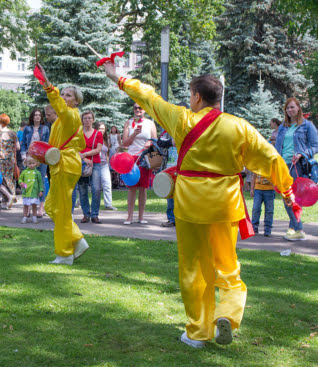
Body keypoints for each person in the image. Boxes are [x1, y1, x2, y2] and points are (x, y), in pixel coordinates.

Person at [102, 63, 294, 348]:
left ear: (196, 97)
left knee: (194, 270)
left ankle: (197, 332)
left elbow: (149, 99)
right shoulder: (239, 126)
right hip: (225, 206)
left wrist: (118, 76)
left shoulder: (182, 119)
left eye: (190, 95)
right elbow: (270, 157)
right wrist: (287, 188)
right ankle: (227, 314)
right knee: (228, 268)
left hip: (190, 205)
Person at [36, 63, 88, 265]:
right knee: (51, 206)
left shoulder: (70, 115)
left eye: (68, 95)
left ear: (76, 101)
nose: (65, 97)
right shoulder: (64, 119)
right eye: (63, 94)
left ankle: (65, 254)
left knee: (63, 210)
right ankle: (77, 239)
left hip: (66, 164)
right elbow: (79, 142)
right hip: (62, 164)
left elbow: (56, 103)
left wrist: (47, 83)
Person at [274, 97, 318, 241]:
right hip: (283, 165)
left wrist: (302, 154)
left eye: (292, 107)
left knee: (293, 197)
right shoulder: (282, 127)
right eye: (287, 108)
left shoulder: (307, 126)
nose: (290, 110)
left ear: (298, 108)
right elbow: (277, 147)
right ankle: (294, 228)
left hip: (296, 165)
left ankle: (297, 229)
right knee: (286, 197)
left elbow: (315, 146)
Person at [122, 103, 157, 224]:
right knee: (131, 188)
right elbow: (125, 143)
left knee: (143, 188)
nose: (138, 110)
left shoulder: (150, 123)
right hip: (132, 158)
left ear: (144, 110)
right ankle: (129, 217)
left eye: (140, 108)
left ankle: (141, 217)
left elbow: (154, 140)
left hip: (145, 158)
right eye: (135, 108)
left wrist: (149, 143)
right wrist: (134, 133)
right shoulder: (128, 122)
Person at [21, 109, 50, 217]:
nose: (37, 117)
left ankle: (40, 209)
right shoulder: (27, 129)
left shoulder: (45, 128)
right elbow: (23, 143)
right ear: (32, 117)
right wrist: (24, 156)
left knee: (40, 181)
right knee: (28, 181)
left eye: (39, 115)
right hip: (29, 158)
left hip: (41, 158)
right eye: (35, 115)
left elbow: (47, 144)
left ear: (41, 117)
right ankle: (27, 209)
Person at [76, 111, 104, 223]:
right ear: (82, 120)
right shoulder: (78, 133)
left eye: (89, 118)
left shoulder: (98, 134)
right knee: (82, 190)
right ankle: (86, 214)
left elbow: (98, 149)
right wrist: (83, 159)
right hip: (81, 163)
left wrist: (86, 154)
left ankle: (95, 214)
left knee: (96, 189)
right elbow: (74, 148)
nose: (87, 120)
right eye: (85, 118)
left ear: (93, 120)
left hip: (95, 163)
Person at [0, 113, 19, 209]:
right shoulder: (12, 133)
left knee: (1, 180)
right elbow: (18, 147)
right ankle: (9, 198)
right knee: (9, 178)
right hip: (10, 160)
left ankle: (7, 199)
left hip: (0, 159)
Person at [157, 130, 178, 227]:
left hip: (185, 167)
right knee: (170, 195)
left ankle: (184, 220)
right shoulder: (167, 127)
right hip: (169, 167)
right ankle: (171, 219)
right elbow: (160, 142)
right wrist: (171, 142)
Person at [97, 122, 117, 211]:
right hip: (95, 164)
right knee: (94, 186)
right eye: (100, 129)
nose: (101, 130)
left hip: (104, 165)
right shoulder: (94, 138)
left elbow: (107, 151)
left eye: (103, 129)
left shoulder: (105, 139)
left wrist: (108, 158)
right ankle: (79, 202)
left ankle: (108, 204)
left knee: (107, 184)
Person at [18, 156, 44, 224]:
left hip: (34, 192)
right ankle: (25, 217)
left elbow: (40, 182)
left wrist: (41, 190)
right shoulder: (24, 172)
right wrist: (21, 183)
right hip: (26, 192)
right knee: (26, 205)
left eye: (33, 163)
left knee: (34, 205)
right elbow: (20, 179)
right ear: (26, 163)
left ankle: (34, 217)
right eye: (29, 163)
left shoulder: (37, 172)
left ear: (36, 163)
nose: (31, 165)